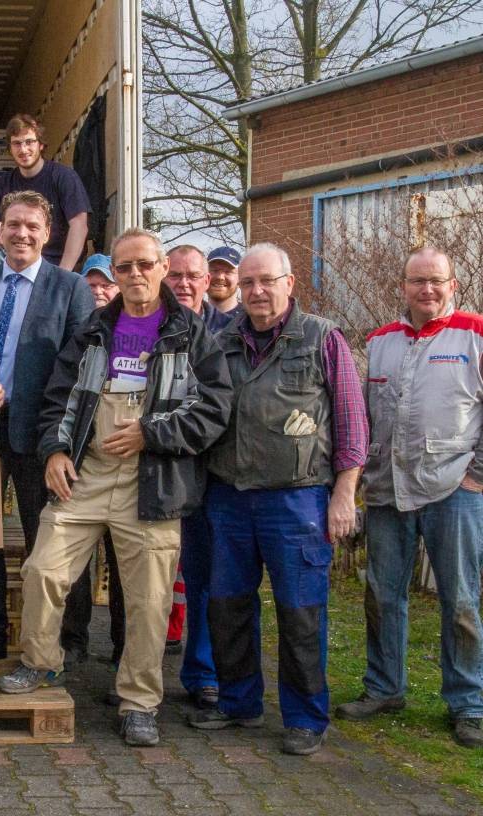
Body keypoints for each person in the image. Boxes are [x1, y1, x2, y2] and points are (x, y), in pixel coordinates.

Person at [0, 227, 232, 751]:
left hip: (152, 479)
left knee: (149, 599)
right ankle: (41, 663)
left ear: (162, 268)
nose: (134, 275)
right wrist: (55, 451)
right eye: (123, 267)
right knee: (42, 569)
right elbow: (58, 398)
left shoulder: (190, 333)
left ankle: (139, 702)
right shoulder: (93, 330)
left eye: (144, 265)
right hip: (88, 473)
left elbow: (214, 409)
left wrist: (154, 432)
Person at [192, 243, 367, 757]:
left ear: (290, 283)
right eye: (248, 283)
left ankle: (306, 717)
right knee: (227, 607)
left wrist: (344, 493)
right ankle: (239, 702)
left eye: (267, 281)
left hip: (298, 500)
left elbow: (353, 424)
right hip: (228, 496)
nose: (257, 291)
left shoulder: (321, 338)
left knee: (300, 612)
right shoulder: (220, 339)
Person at [338, 247, 483, 748]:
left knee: (460, 599)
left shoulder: (474, 334)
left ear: (453, 284)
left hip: (454, 489)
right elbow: (358, 416)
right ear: (403, 285)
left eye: (436, 281)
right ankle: (384, 688)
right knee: (381, 594)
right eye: (417, 281)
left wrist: (477, 477)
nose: (427, 290)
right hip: (387, 490)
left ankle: (468, 703)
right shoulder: (379, 343)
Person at [0, 191, 95, 669]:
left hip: (41, 433)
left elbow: (80, 364)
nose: (21, 234)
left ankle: (67, 637)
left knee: (50, 538)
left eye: (32, 226)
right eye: (13, 224)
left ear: (47, 233)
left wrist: (65, 438)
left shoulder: (70, 287)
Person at [160, 244, 230, 709]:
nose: (184, 284)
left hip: (215, 469)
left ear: (208, 281)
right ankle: (135, 664)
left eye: (193, 276)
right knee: (155, 575)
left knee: (205, 575)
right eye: (176, 276)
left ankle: (202, 671)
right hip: (162, 468)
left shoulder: (232, 331)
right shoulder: (151, 324)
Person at [65, 253, 125, 673]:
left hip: (129, 470)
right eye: (93, 285)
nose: (100, 291)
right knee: (75, 563)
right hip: (83, 467)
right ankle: (75, 639)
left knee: (124, 567)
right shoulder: (82, 336)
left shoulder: (140, 329)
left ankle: (124, 648)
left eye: (107, 284)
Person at [0, 114, 90, 271]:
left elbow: (80, 226)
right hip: (15, 262)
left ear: (41, 145)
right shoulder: (1, 186)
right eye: (17, 143)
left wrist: (63, 274)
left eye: (29, 142)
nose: (23, 149)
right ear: (10, 149)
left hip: (55, 262)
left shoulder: (64, 177)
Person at [206, 246, 242, 315]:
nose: (220, 277)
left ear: (239, 278)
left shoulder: (251, 319)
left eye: (228, 271)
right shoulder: (189, 318)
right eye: (214, 270)